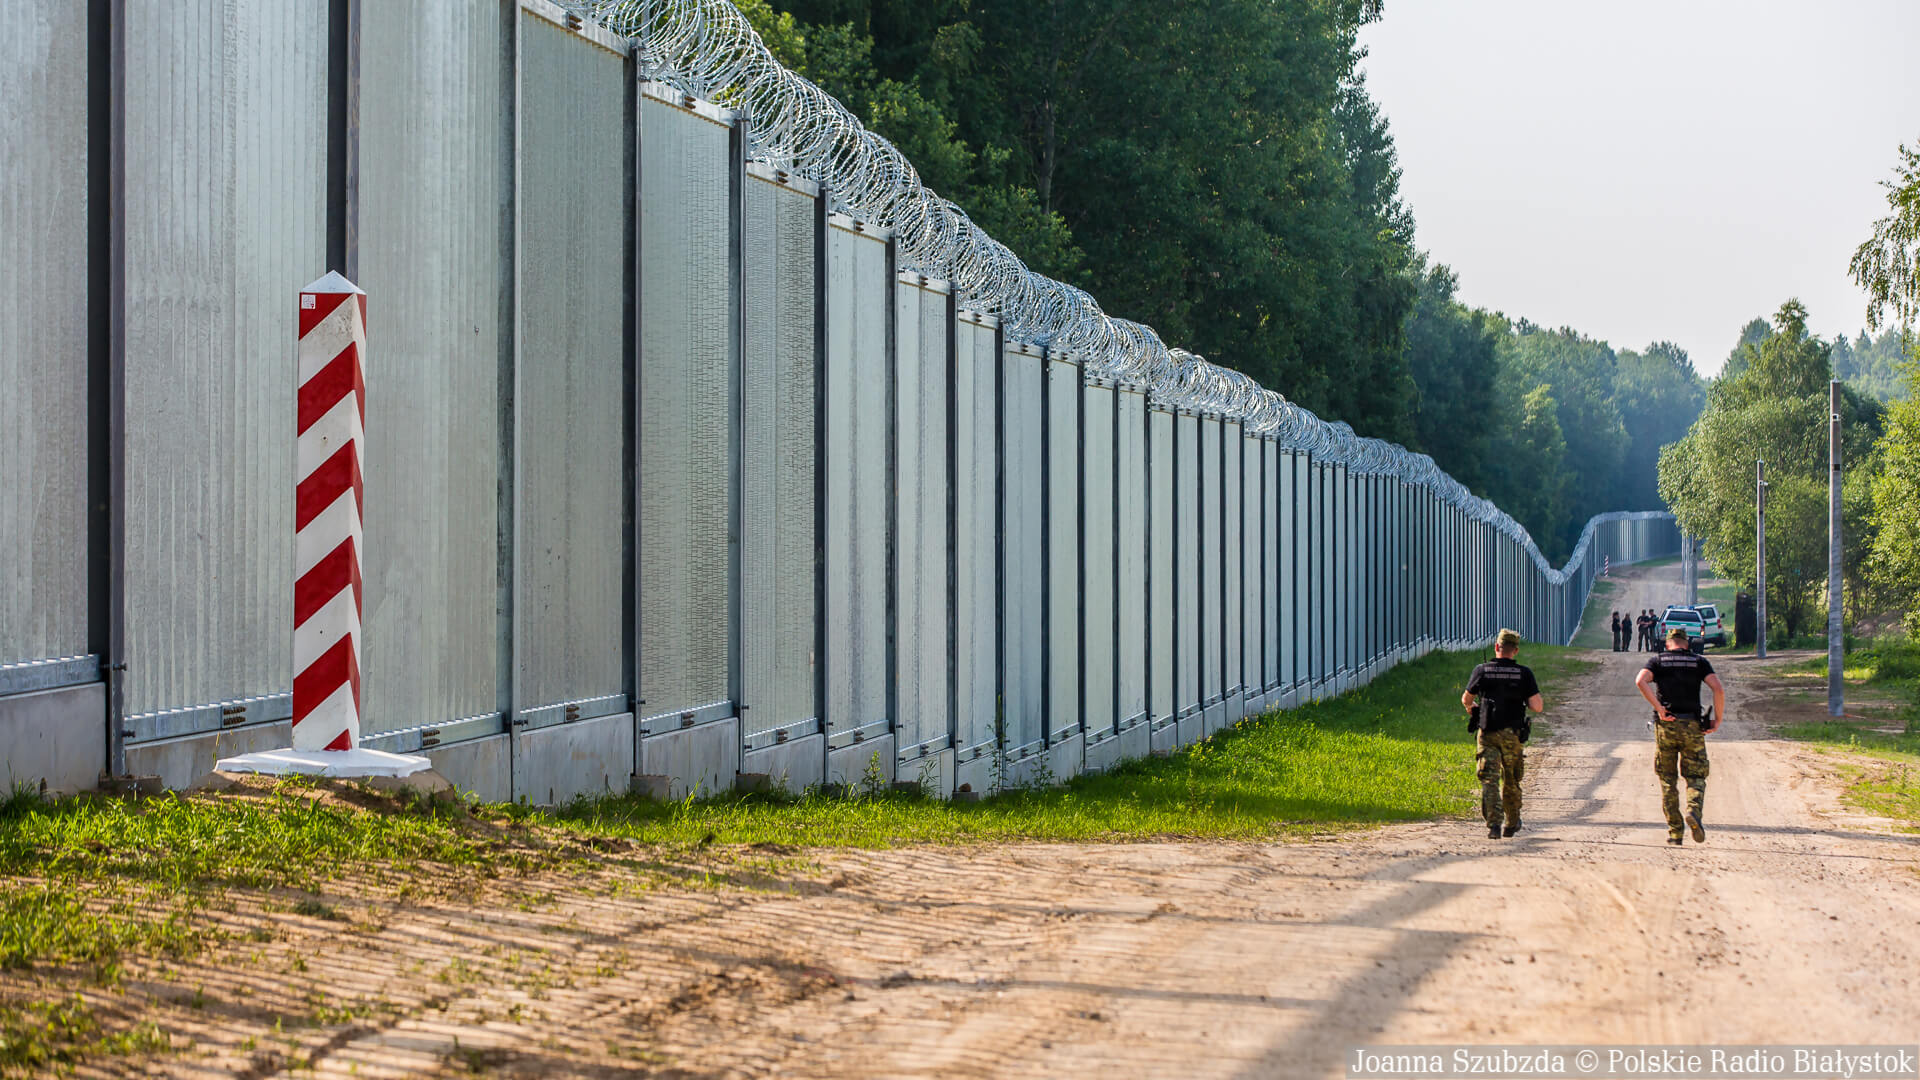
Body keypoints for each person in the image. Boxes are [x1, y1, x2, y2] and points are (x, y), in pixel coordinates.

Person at [1636, 626, 1727, 845]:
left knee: (1668, 780)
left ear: (1668, 643)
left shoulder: (1658, 661)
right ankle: (1693, 811)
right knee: (1695, 776)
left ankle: (1675, 832)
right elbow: (1718, 689)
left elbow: (1640, 680)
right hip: (1692, 726)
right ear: (1687, 643)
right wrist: (1717, 719)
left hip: (1666, 726)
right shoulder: (1699, 662)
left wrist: (1658, 707)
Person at [1462, 628, 1545, 839]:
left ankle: (1494, 825)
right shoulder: (1524, 674)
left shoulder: (1482, 671)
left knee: (1489, 779)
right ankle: (1512, 822)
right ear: (1515, 650)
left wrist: (1473, 709)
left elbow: (1466, 699)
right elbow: (1537, 706)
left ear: (1496, 647)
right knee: (1511, 779)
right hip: (1513, 735)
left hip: (1487, 733)